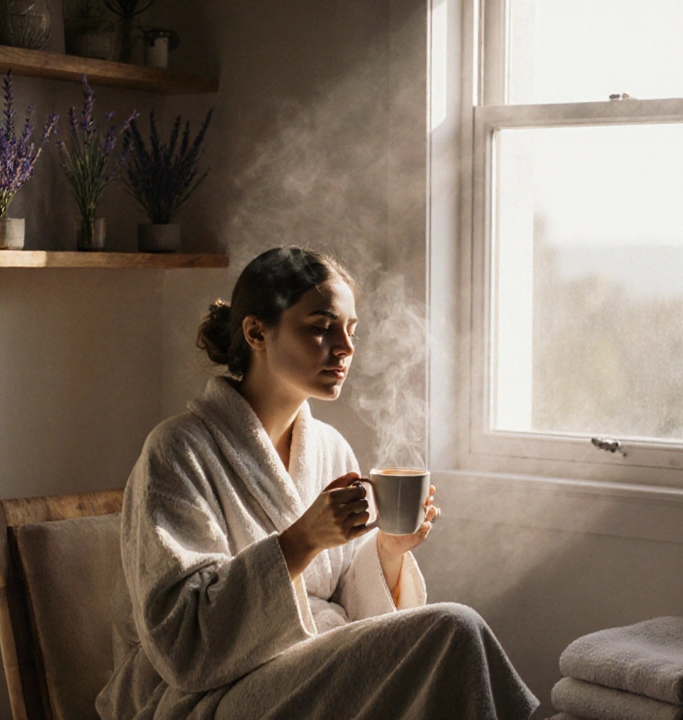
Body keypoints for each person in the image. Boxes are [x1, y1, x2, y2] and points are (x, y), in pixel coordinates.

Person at [96, 247, 538, 720]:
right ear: (256, 332)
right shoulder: (177, 451)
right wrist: (300, 541)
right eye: (322, 327)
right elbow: (184, 642)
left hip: (314, 669)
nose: (345, 348)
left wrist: (389, 553)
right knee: (454, 628)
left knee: (450, 637)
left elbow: (357, 608)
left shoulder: (329, 447)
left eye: (351, 330)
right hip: (216, 694)